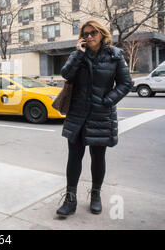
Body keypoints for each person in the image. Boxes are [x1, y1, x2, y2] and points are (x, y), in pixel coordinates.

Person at [56, 20, 133, 218]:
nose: (89, 36)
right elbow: (65, 74)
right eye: (86, 33)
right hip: (78, 114)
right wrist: (78, 54)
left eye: (93, 33)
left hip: (100, 114)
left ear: (101, 34)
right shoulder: (78, 55)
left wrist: (108, 100)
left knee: (98, 158)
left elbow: (126, 83)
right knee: (74, 157)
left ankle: (96, 195)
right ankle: (70, 199)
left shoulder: (114, 56)